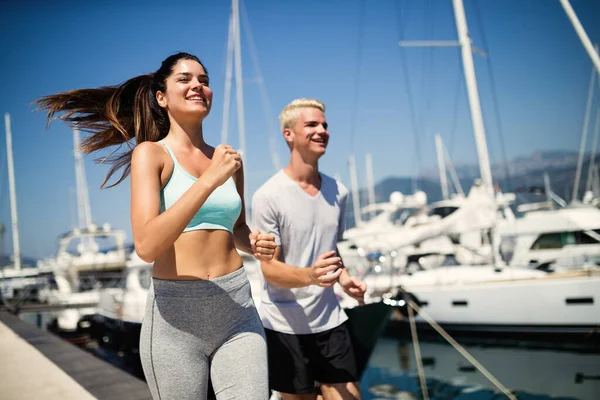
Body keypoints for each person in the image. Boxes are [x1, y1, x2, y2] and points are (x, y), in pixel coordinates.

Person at [36, 52, 276, 400]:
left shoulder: (228, 159)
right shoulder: (152, 154)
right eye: (185, 78)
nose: (197, 85)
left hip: (236, 309)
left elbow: (236, 227)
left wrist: (254, 242)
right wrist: (209, 179)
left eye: (204, 80)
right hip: (175, 319)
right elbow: (147, 245)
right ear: (161, 97)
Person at [251, 98, 367, 400]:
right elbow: (270, 269)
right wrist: (312, 277)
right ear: (288, 134)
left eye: (325, 125)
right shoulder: (268, 196)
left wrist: (344, 279)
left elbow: (331, 251)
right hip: (284, 325)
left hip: (330, 320)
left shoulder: (338, 191)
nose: (322, 131)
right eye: (312, 125)